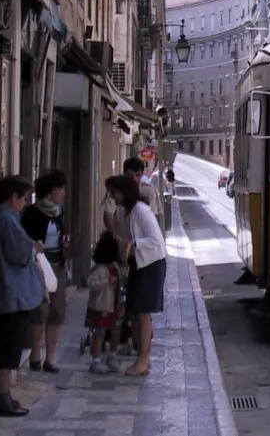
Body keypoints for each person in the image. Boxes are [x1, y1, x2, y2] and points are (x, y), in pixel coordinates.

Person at [0, 176, 44, 417]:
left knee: (7, 348)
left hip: (5, 293)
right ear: (14, 198)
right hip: (9, 295)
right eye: (23, 198)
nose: (24, 203)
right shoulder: (5, 220)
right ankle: (2, 397)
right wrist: (35, 249)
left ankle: (5, 395)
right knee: (6, 349)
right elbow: (21, 254)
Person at [109, 175, 167, 376]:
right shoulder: (128, 212)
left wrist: (134, 244)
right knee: (134, 310)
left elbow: (155, 239)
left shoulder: (141, 211)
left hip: (150, 265)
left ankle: (142, 360)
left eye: (113, 192)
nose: (111, 196)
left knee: (143, 313)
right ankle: (142, 358)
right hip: (139, 264)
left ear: (123, 192)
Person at [20, 169, 70, 374]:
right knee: (40, 311)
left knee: (57, 312)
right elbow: (23, 239)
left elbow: (60, 233)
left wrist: (65, 240)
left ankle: (50, 358)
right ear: (49, 192)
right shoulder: (32, 212)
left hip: (57, 265)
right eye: (60, 190)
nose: (63, 193)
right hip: (38, 267)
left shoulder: (58, 212)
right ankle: (34, 355)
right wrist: (35, 246)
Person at [86, 232, 122, 374]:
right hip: (100, 306)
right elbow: (92, 284)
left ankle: (111, 355)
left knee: (115, 331)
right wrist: (106, 282)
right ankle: (96, 360)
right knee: (99, 332)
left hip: (112, 305)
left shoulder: (115, 267)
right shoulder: (99, 269)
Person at [101, 158, 163, 234]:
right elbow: (108, 213)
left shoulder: (149, 191)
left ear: (142, 174)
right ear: (124, 174)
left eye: (137, 175)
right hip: (121, 239)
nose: (134, 179)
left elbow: (154, 216)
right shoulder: (115, 191)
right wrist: (114, 236)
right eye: (130, 175)